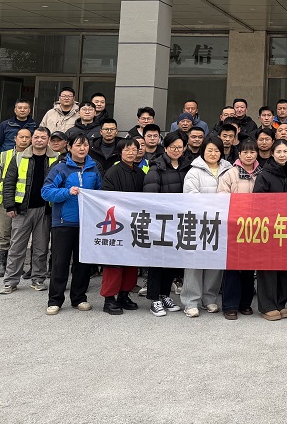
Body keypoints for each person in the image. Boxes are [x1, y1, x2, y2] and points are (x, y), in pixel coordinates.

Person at [40, 133, 102, 315]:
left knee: (82, 263)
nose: (82, 149)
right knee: (60, 263)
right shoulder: (60, 168)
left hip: (86, 224)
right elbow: (46, 192)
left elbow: (99, 193)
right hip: (63, 223)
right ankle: (55, 300)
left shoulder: (94, 169)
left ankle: (79, 298)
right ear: (69, 147)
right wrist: (67, 192)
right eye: (78, 145)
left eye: (85, 145)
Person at [0, 127, 56, 294]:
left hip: (45, 210)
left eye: (43, 137)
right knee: (17, 247)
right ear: (32, 139)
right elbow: (8, 183)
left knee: (41, 248)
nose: (39, 140)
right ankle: (10, 281)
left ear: (48, 139)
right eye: (36, 137)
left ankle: (38, 279)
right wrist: (10, 205)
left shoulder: (56, 159)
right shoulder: (19, 157)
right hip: (21, 210)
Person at [181, 137, 231, 318]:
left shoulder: (229, 170)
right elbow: (191, 195)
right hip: (198, 221)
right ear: (203, 151)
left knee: (215, 262)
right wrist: (213, 206)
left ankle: (209, 298)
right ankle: (191, 301)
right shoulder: (194, 171)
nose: (213, 154)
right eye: (210, 150)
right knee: (194, 262)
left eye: (217, 150)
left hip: (220, 223)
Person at [143, 131, 190, 317]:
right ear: (165, 147)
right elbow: (150, 196)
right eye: (172, 147)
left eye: (179, 147)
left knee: (171, 260)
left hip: (179, 222)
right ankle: (154, 298)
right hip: (160, 221)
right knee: (157, 261)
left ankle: (164, 295)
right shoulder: (157, 167)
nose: (176, 150)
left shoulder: (187, 167)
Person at [217, 137, 261, 319]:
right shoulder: (230, 174)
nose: (249, 155)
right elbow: (222, 198)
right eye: (245, 152)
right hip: (234, 226)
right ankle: (230, 306)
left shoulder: (262, 173)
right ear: (239, 154)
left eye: (252, 152)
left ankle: (245, 303)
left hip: (255, 227)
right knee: (233, 267)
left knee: (249, 268)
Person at [99, 138, 145, 315]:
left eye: (134, 149)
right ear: (120, 152)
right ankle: (109, 299)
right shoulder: (113, 172)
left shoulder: (140, 173)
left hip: (134, 224)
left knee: (132, 261)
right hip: (117, 224)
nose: (131, 153)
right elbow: (105, 197)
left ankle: (124, 295)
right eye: (127, 149)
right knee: (114, 263)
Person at [253, 141, 287, 320]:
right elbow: (258, 202)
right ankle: (267, 305)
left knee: (286, 266)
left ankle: (281, 303)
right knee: (268, 266)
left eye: (285, 151)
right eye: (278, 151)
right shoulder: (265, 174)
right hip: (270, 226)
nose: (282, 155)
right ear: (272, 153)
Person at [0, 127, 31, 278]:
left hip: (23, 202)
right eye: (21, 137)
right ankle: (2, 265)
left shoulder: (33, 156)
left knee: (18, 236)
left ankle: (15, 266)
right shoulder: (4, 156)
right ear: (15, 139)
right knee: (3, 233)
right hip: (2, 203)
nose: (24, 140)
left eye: (27, 137)